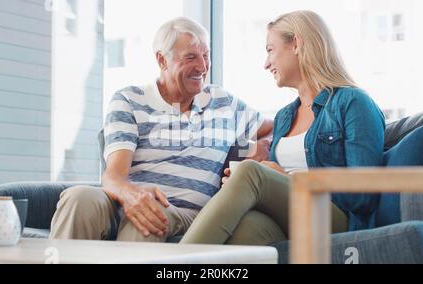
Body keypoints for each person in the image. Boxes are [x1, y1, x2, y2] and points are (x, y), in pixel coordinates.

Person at [49, 17, 273, 242]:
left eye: (206, 56)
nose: (203, 67)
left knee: (150, 218)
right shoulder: (129, 99)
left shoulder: (225, 104)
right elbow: (114, 176)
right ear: (162, 60)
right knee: (79, 197)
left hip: (186, 213)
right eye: (191, 57)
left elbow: (279, 127)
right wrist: (133, 196)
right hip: (125, 202)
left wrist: (260, 149)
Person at [180, 10, 386, 246]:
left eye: (270, 50)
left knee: (250, 172)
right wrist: (240, 189)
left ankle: (174, 266)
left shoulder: (352, 102)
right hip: (293, 223)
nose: (266, 63)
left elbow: (364, 194)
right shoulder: (285, 117)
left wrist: (286, 179)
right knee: (246, 228)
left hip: (338, 222)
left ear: (296, 44)